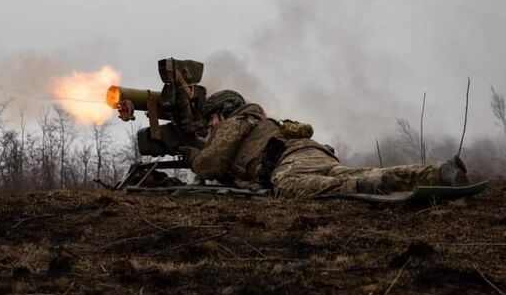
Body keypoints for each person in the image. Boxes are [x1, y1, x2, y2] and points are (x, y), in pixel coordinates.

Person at [182, 90, 469, 198]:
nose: (210, 126)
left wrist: (191, 155)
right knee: (356, 171)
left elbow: (211, 165)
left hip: (289, 163)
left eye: (212, 119)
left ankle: (369, 186)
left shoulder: (234, 122)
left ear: (224, 112)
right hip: (314, 152)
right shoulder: (262, 121)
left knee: (290, 188)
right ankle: (439, 172)